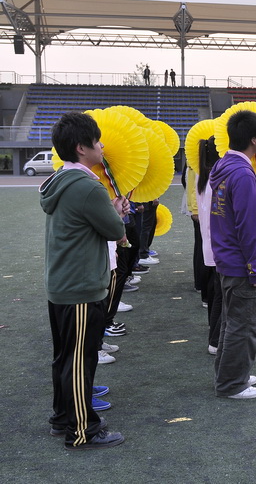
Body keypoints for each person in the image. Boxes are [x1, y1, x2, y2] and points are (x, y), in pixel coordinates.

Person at [41, 111, 128, 449]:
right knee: (80, 360)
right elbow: (115, 230)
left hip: (62, 283)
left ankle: (62, 418)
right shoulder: (86, 186)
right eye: (97, 141)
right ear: (81, 148)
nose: (102, 146)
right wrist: (116, 211)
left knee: (65, 356)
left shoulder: (60, 179)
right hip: (80, 285)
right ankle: (82, 430)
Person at [209, 110, 256, 399]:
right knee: (243, 325)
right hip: (240, 261)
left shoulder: (225, 165)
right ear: (254, 140)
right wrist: (255, 267)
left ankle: (229, 374)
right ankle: (232, 383)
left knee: (231, 323)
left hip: (227, 257)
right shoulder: (242, 173)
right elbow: (248, 226)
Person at [197, 137, 222, 355]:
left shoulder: (203, 176)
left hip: (210, 243)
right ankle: (215, 339)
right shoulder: (217, 178)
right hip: (219, 245)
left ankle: (213, 333)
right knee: (220, 296)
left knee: (215, 292)